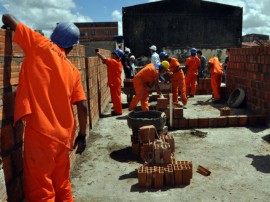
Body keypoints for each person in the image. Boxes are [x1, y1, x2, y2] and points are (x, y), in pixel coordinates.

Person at [2, 14, 88, 201]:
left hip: (41, 135)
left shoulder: (39, 44)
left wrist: (8, 27)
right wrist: (82, 135)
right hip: (63, 137)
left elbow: (7, 16)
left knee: (41, 191)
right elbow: (82, 105)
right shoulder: (73, 71)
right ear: (72, 47)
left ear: (53, 36)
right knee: (62, 185)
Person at [96, 49, 124, 115]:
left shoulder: (115, 62)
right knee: (115, 98)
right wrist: (104, 61)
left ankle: (118, 112)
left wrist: (98, 54)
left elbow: (105, 59)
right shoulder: (116, 62)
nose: (111, 54)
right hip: (114, 82)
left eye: (113, 53)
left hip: (115, 83)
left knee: (116, 98)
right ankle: (117, 110)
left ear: (116, 55)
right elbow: (106, 62)